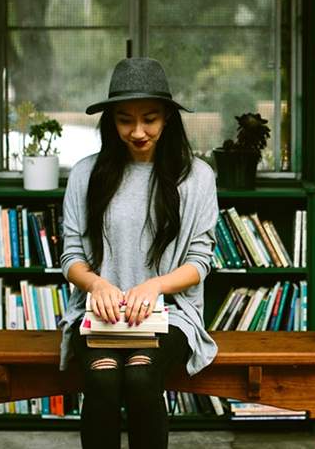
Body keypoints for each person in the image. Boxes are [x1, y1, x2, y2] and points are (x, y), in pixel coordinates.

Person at [58, 57, 219, 449]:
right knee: (102, 377)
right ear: (110, 122)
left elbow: (201, 260)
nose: (138, 131)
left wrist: (155, 287)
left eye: (150, 118)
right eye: (124, 120)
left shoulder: (196, 177)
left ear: (167, 118)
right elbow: (71, 255)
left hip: (171, 314)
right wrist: (96, 285)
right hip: (97, 314)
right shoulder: (85, 174)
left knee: (141, 376)